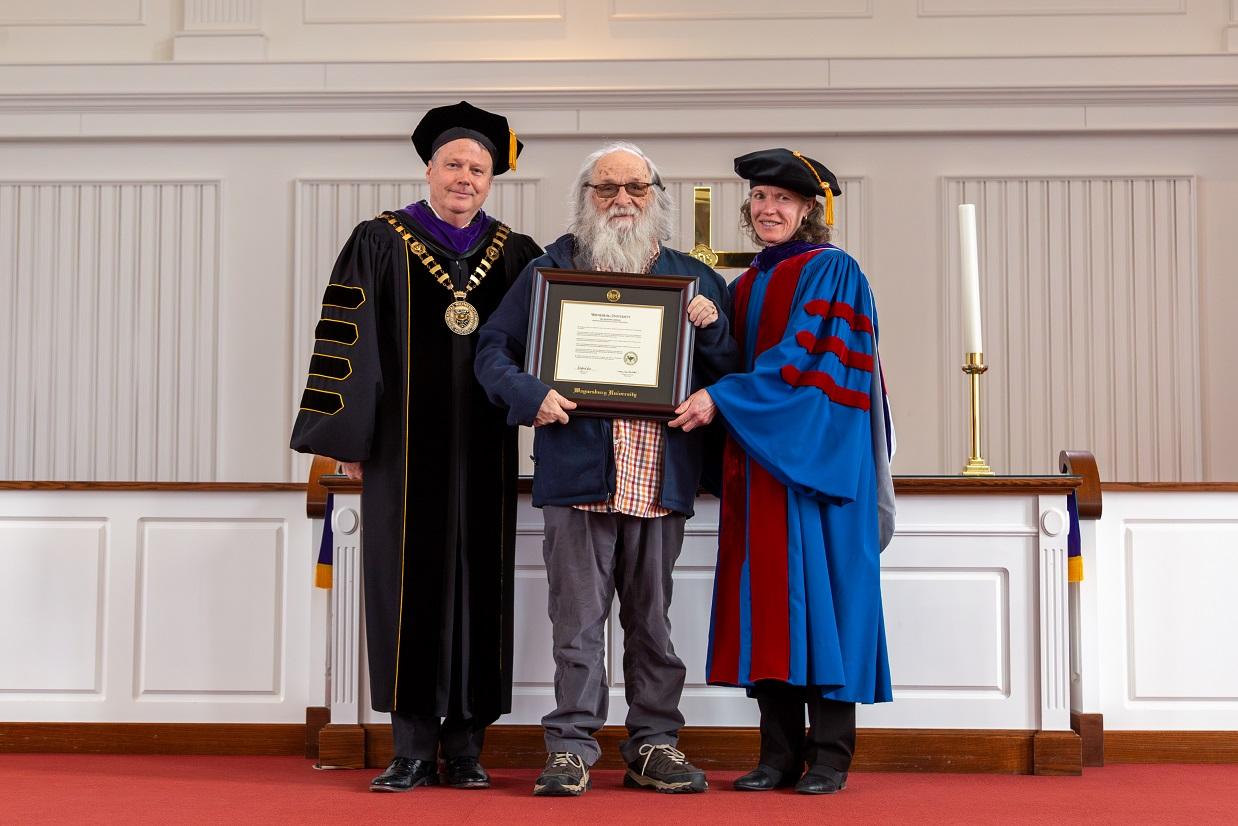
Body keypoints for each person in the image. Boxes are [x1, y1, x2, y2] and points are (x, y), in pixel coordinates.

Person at [289, 101, 543, 792]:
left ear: (493, 180)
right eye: (455, 164)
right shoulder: (380, 239)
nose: (465, 178)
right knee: (404, 587)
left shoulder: (517, 253)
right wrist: (351, 440)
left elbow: (546, 342)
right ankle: (410, 748)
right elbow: (349, 340)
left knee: (480, 587)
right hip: (402, 452)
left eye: (479, 169)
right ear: (430, 169)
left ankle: (465, 750)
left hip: (487, 450)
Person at [474, 141, 738, 796]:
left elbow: (731, 377)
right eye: (606, 187)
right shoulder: (550, 270)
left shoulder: (694, 279)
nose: (622, 199)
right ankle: (570, 746)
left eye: (635, 188)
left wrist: (711, 333)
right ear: (586, 198)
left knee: (652, 622)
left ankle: (654, 743)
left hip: (660, 475)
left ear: (657, 196)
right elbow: (491, 351)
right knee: (577, 623)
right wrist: (531, 396)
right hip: (577, 475)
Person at [668, 147, 896, 795]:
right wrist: (709, 329)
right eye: (761, 199)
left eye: (784, 200)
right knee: (766, 608)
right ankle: (775, 754)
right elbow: (726, 364)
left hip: (819, 468)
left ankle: (829, 757)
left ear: (809, 211)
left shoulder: (834, 272)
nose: (769, 209)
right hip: (759, 469)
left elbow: (806, 364)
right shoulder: (743, 286)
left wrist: (725, 398)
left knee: (825, 606)